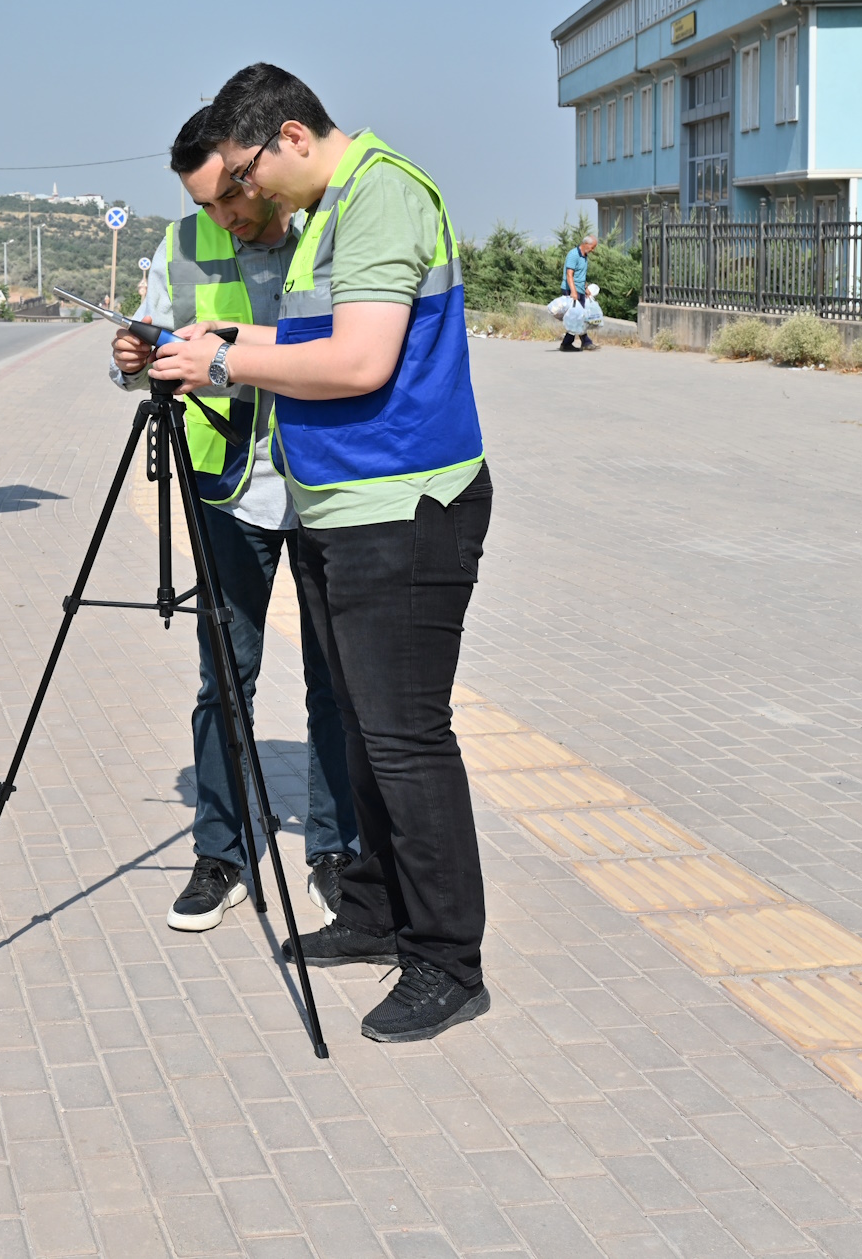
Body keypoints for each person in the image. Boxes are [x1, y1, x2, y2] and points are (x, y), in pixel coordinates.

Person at [151, 63, 494, 1044]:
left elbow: (358, 360)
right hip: (340, 508)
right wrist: (232, 331)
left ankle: (447, 960)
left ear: (289, 136)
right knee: (356, 723)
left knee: (405, 737)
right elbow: (313, 338)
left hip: (403, 506)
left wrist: (221, 360)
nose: (247, 198)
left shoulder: (381, 193)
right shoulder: (326, 215)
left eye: (249, 176)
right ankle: (377, 913)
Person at [113, 108, 358, 934]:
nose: (224, 217)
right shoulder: (181, 244)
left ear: (251, 166)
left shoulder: (329, 229)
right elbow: (156, 335)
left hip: (327, 486)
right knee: (225, 677)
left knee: (338, 681)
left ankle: (335, 850)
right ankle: (221, 847)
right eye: (207, 205)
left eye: (231, 197)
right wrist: (134, 357)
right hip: (228, 489)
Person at [561, 235, 599, 351]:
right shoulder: (574, 255)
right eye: (592, 247)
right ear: (586, 244)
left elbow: (580, 275)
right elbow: (569, 274)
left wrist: (585, 288)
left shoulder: (584, 256)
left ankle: (580, 342)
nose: (593, 250)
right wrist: (573, 291)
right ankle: (575, 343)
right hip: (571, 290)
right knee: (576, 317)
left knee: (579, 317)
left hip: (580, 290)